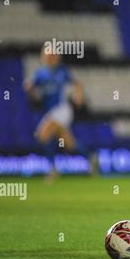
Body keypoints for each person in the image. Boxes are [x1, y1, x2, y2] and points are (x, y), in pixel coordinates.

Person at [24, 48, 90, 180]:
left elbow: (77, 83)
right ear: (43, 57)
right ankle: (91, 158)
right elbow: (30, 88)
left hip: (62, 109)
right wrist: (30, 90)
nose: (50, 58)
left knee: (43, 135)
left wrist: (78, 96)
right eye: (48, 56)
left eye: (53, 56)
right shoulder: (40, 74)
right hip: (51, 112)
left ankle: (52, 170)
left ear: (57, 57)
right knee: (69, 144)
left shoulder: (62, 71)